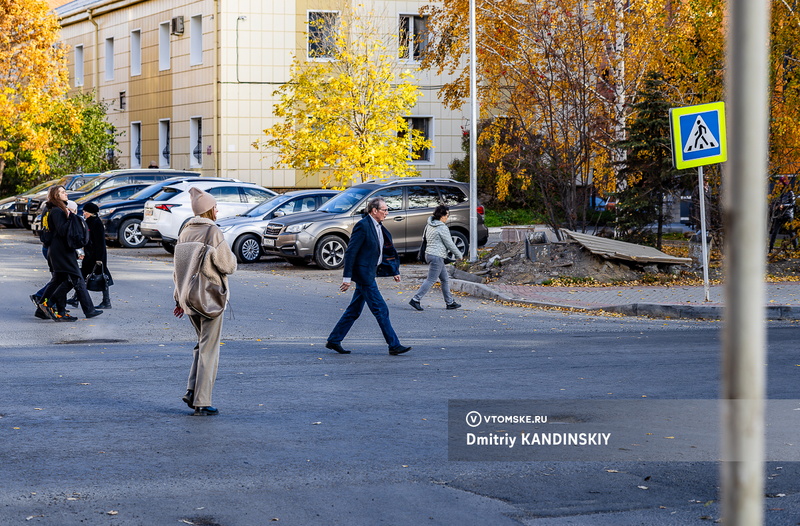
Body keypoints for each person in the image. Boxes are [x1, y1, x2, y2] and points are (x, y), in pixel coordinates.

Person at [172, 187, 237, 416]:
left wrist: (178, 298)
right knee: (209, 349)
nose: (217, 210)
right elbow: (227, 265)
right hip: (209, 298)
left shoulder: (185, 232)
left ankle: (191, 390)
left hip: (188, 299)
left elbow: (178, 270)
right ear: (209, 210)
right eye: (215, 206)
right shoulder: (213, 232)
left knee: (201, 345)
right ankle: (202, 401)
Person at [325, 198, 411, 356]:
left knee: (354, 310)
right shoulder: (363, 226)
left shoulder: (379, 226)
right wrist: (347, 277)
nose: (387, 212)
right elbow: (351, 251)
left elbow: (383, 251)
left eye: (386, 210)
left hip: (370, 272)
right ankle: (394, 344)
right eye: (384, 210)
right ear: (374, 211)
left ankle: (334, 340)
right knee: (381, 309)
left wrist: (394, 271)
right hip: (364, 275)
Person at [35, 189, 103, 321]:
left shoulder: (51, 209)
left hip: (57, 249)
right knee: (75, 277)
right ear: (56, 195)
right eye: (63, 192)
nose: (66, 194)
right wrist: (71, 216)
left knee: (59, 279)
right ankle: (48, 304)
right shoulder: (56, 210)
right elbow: (62, 230)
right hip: (62, 250)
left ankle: (42, 309)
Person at [409, 205, 464, 311]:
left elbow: (424, 238)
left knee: (444, 279)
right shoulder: (442, 227)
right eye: (447, 215)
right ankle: (416, 299)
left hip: (429, 254)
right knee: (431, 280)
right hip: (437, 256)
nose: (447, 217)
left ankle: (450, 302)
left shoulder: (429, 224)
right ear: (442, 215)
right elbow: (450, 244)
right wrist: (459, 255)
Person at [68, 202, 112, 309]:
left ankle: (106, 301)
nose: (84, 213)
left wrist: (99, 258)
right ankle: (76, 298)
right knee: (84, 276)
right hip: (89, 254)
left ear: (91, 213)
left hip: (96, 256)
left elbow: (100, 242)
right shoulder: (89, 221)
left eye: (85, 212)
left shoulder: (96, 223)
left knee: (101, 276)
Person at [769, 176, 796, 253]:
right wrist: (775, 206)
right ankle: (770, 249)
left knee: (791, 232)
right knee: (774, 232)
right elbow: (775, 202)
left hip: (787, 214)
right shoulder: (779, 193)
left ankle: (796, 247)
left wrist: (784, 206)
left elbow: (793, 204)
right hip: (779, 215)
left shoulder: (790, 193)